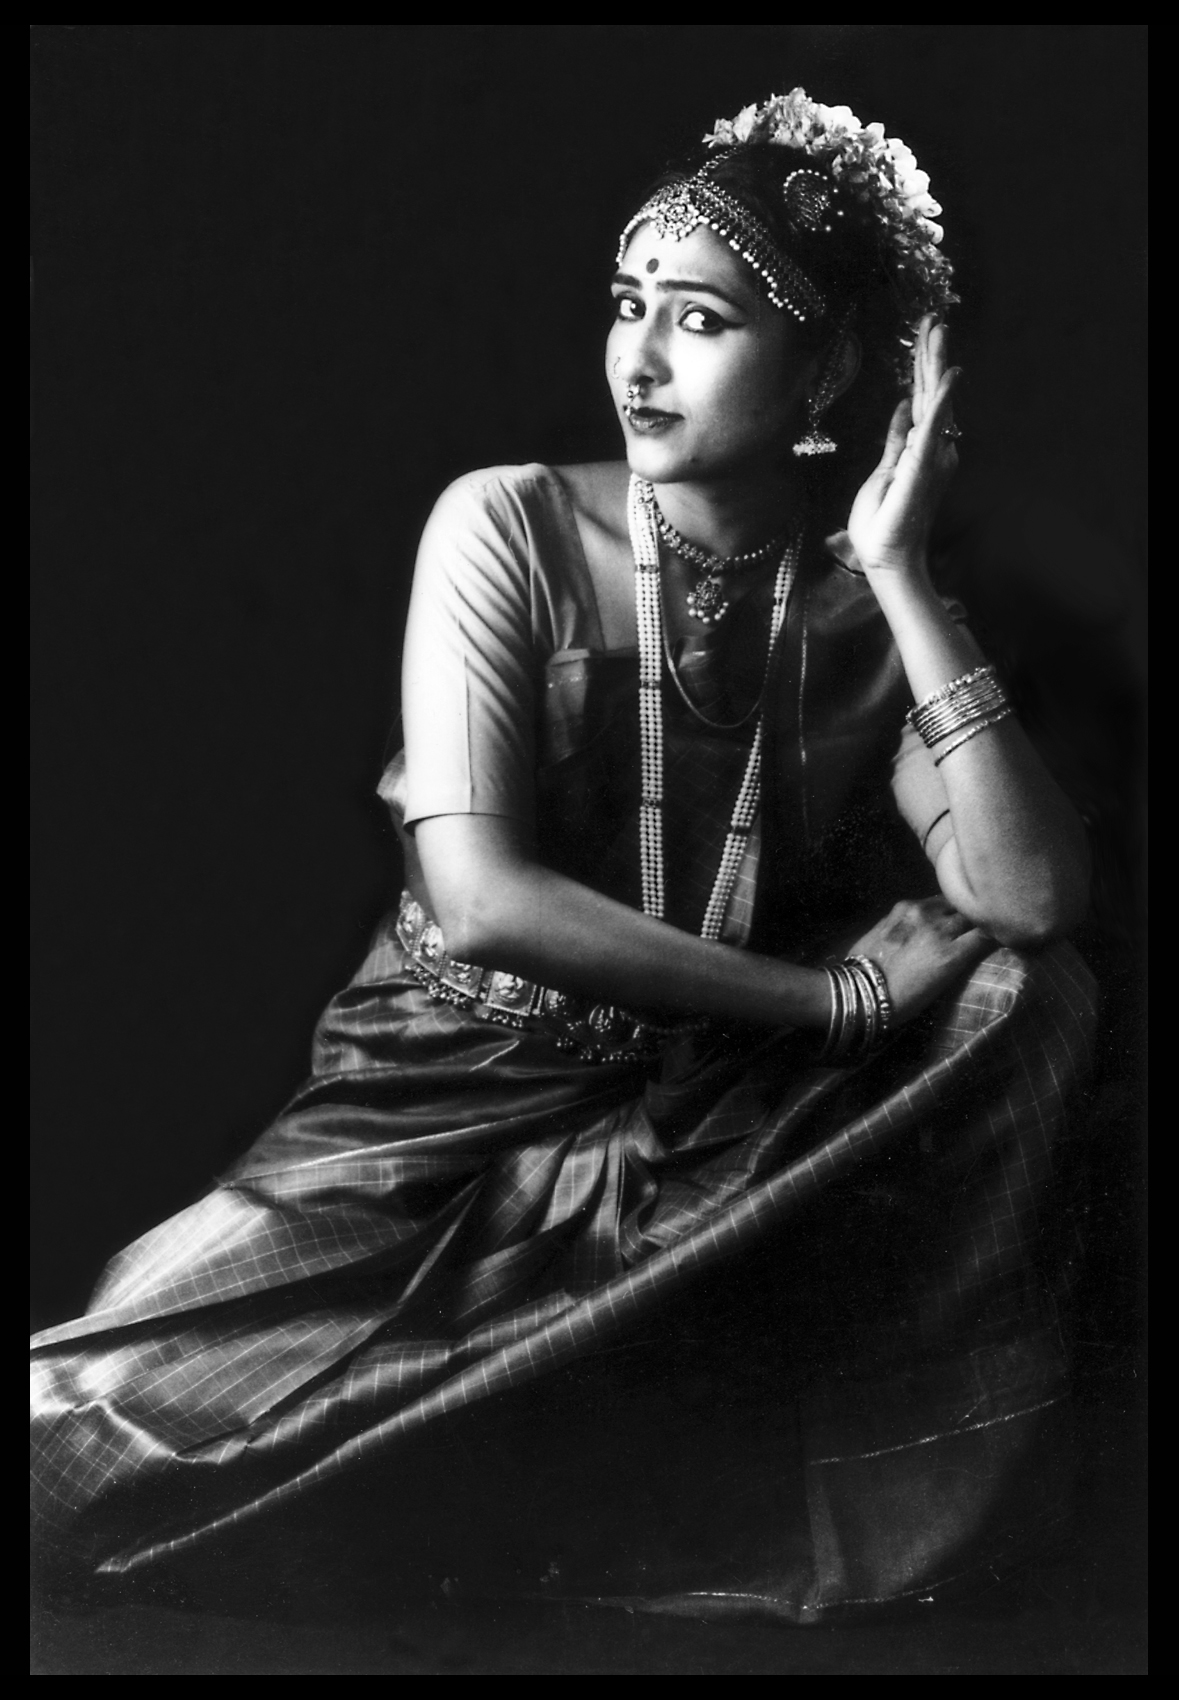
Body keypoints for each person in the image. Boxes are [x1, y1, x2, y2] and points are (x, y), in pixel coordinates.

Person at [32, 89, 1098, 1625]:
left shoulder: (859, 612)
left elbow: (1034, 898)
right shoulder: (508, 530)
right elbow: (483, 902)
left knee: (1025, 998)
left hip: (707, 1119)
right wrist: (826, 1005)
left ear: (826, 374)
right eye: (626, 304)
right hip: (440, 1101)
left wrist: (900, 573)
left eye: (701, 320)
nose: (638, 359)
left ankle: (625, 1469)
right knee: (80, 1442)